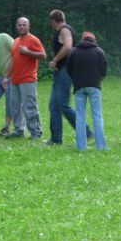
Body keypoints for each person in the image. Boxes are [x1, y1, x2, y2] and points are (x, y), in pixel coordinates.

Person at [45, 10, 92, 146]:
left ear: (53, 21)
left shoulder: (64, 30)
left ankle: (86, 132)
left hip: (65, 71)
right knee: (54, 106)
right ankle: (56, 139)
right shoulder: (63, 30)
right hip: (60, 72)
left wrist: (55, 60)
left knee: (63, 105)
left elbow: (68, 46)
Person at [3, 17, 46, 139]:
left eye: (24, 25)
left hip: (28, 79)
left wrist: (28, 52)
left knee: (29, 106)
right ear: (17, 26)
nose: (21, 27)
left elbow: (43, 55)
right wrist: (6, 76)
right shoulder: (16, 41)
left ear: (28, 26)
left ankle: (36, 132)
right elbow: (13, 60)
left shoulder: (33, 40)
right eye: (19, 25)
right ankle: (18, 130)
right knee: (14, 107)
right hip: (14, 79)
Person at [66, 31, 108, 151]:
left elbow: (69, 69)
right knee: (97, 115)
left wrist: (75, 79)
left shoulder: (74, 51)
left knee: (80, 116)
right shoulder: (98, 51)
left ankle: (81, 147)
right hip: (94, 86)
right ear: (93, 40)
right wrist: (99, 79)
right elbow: (104, 68)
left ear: (82, 39)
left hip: (79, 87)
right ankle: (101, 146)